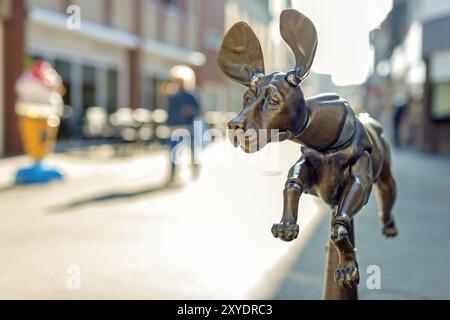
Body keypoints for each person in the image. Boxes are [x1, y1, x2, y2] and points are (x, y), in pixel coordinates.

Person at [166, 71, 202, 182]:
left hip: (187, 127)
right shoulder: (172, 95)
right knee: (173, 151)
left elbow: (199, 110)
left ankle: (195, 169)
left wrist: (191, 111)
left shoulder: (190, 96)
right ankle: (173, 174)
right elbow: (169, 112)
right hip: (174, 128)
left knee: (191, 150)